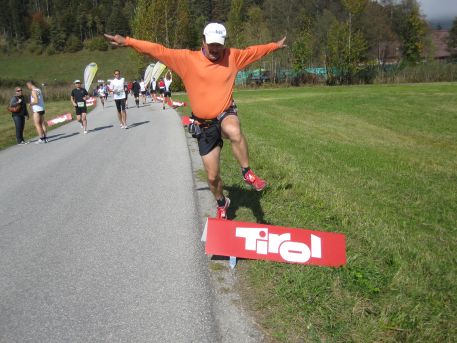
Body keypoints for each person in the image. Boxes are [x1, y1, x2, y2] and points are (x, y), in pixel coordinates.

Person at [105, 24, 286, 219]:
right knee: (212, 177)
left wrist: (274, 45)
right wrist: (129, 42)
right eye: (211, 45)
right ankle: (221, 202)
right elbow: (157, 50)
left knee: (234, 130)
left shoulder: (232, 56)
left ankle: (247, 172)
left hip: (225, 113)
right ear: (203, 41)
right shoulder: (187, 59)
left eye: (219, 45)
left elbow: (255, 51)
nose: (215, 49)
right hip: (203, 125)